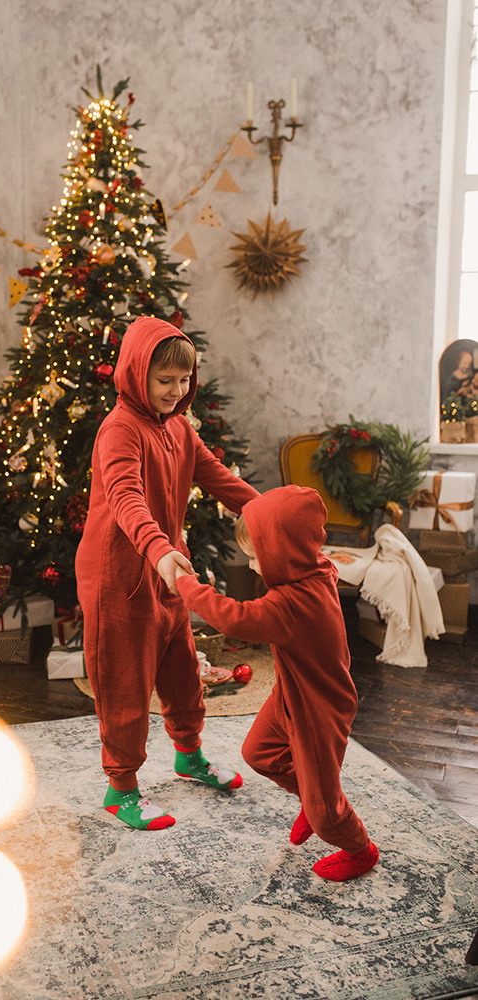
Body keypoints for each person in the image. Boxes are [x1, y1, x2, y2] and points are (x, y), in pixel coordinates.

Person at [75, 315, 260, 830]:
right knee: (125, 683)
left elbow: (220, 478)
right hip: (119, 575)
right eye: (165, 382)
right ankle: (121, 788)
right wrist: (158, 550)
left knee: (182, 670)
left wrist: (270, 515)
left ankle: (188, 755)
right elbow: (127, 499)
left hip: (167, 567)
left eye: (185, 382)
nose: (177, 393)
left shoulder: (179, 426)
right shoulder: (119, 431)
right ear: (136, 373)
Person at [174, 485, 380, 882]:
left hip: (319, 707)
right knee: (259, 753)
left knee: (326, 814)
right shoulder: (314, 570)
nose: (251, 567)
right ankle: (310, 794)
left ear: (283, 553)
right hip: (291, 691)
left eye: (255, 557)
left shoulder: (294, 603)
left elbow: (236, 619)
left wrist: (186, 586)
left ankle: (359, 848)